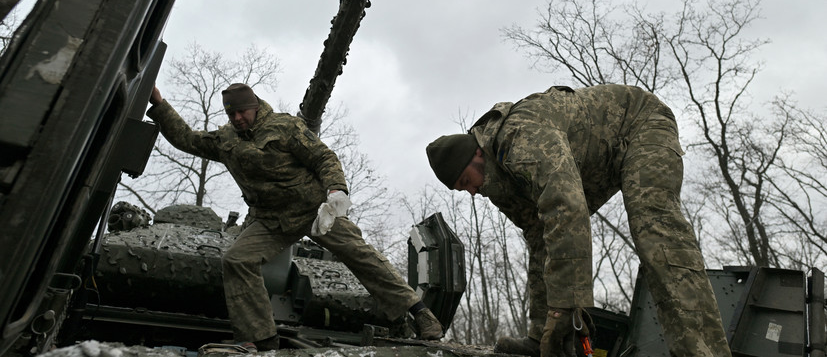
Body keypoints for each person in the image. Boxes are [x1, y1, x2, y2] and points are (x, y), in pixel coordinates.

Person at [425, 84, 731, 357]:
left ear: (479, 154)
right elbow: (540, 235)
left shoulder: (520, 138)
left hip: (640, 124)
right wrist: (544, 327)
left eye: (467, 180)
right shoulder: (497, 183)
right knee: (546, 233)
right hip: (599, 162)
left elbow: (566, 208)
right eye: (462, 189)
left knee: (655, 232)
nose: (473, 191)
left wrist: (565, 307)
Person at [147, 83, 443, 350]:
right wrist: (159, 104)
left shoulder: (284, 126)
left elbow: (323, 157)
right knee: (237, 260)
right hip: (270, 220)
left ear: (254, 106)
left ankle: (420, 314)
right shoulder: (226, 140)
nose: (237, 118)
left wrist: (335, 191)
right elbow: (187, 139)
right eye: (232, 114)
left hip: (314, 211)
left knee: (360, 254)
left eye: (242, 112)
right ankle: (263, 338)